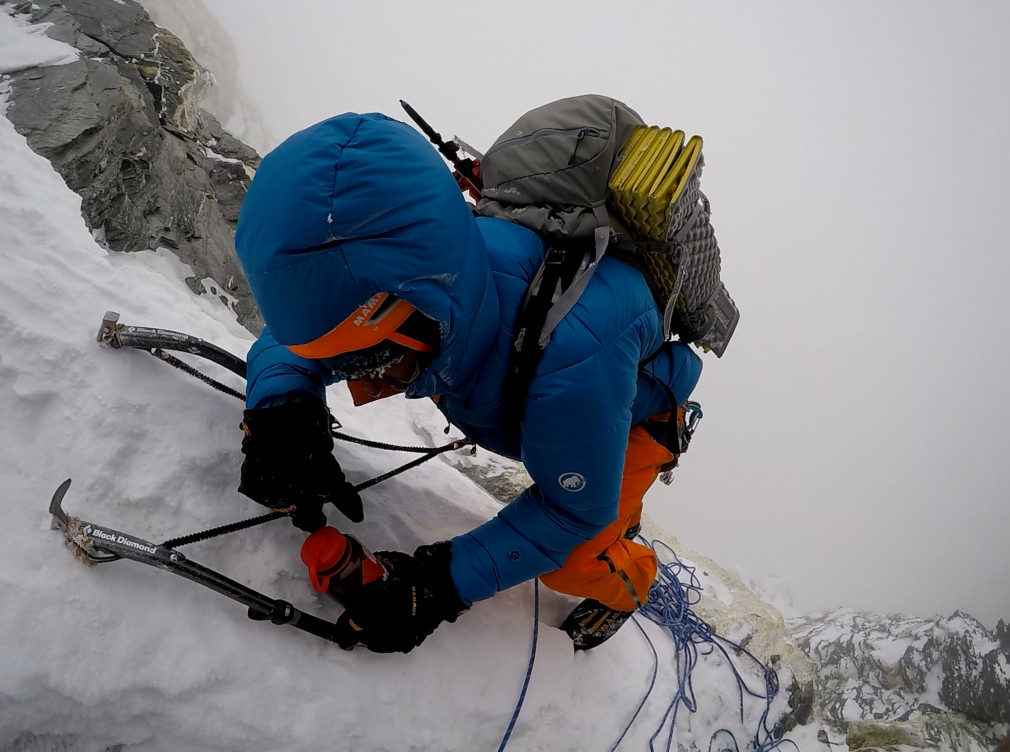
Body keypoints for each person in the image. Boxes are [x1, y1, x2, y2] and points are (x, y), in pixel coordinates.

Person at [233, 111, 704, 654]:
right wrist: (282, 413)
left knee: (576, 559)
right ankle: (619, 524)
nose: (366, 377)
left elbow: (573, 509)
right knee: (585, 483)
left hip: (632, 420)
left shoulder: (572, 361)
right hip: (563, 400)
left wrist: (437, 585)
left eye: (372, 357)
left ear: (422, 309)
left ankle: (631, 584)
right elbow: (290, 344)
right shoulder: (437, 287)